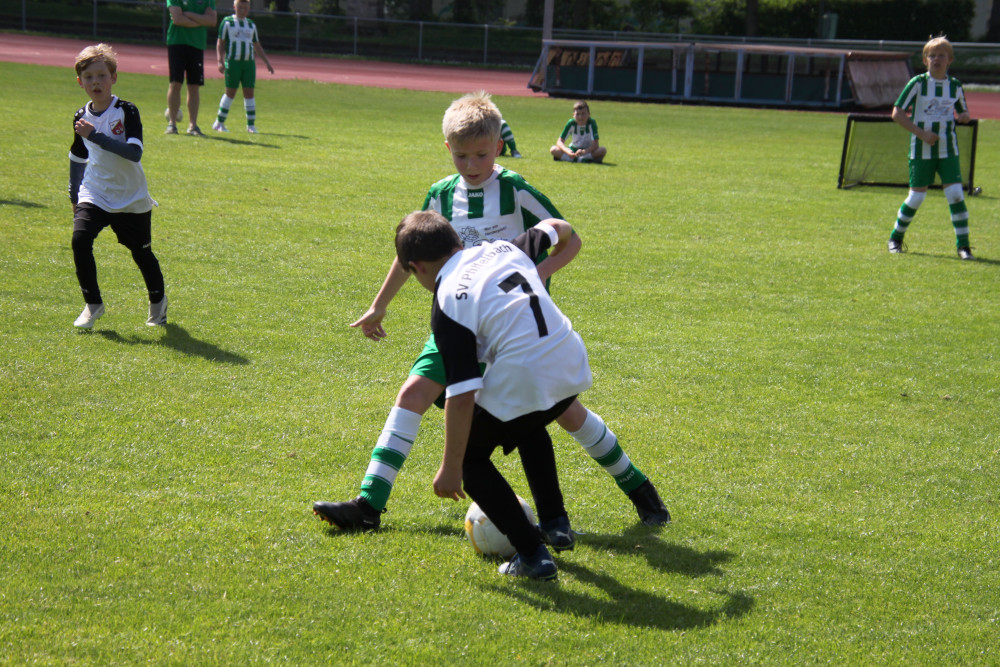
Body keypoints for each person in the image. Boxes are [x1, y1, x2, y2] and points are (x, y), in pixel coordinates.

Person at [313, 91, 669, 539]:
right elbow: (413, 253)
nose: (471, 164)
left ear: (498, 146)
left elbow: (569, 237)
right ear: (448, 150)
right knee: (412, 395)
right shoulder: (441, 194)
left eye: (480, 154)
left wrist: (539, 273)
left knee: (566, 413)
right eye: (461, 155)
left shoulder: (517, 190)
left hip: (511, 330)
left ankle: (638, 487)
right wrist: (379, 304)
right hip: (457, 323)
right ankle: (368, 505)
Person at [396, 210, 630, 579]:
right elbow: (557, 227)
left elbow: (461, 395)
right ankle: (555, 523)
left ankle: (533, 554)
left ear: (416, 268)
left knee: (472, 460)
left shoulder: (446, 302)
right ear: (458, 242)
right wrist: (550, 260)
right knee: (525, 421)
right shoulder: (505, 247)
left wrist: (451, 467)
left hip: (530, 375)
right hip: (569, 359)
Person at [68, 44, 167, 329]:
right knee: (80, 240)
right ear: (80, 82)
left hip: (130, 196)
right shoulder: (80, 116)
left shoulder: (126, 111)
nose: (95, 82)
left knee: (141, 253)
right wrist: (74, 192)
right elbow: (77, 154)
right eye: (89, 77)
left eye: (101, 75)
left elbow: (134, 153)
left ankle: (158, 303)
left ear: (114, 77)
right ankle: (93, 304)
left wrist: (96, 135)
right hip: (95, 192)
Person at [887, 35, 974, 260]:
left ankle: (963, 247)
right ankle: (895, 238)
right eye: (931, 55)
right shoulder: (917, 83)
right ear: (925, 60)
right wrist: (922, 134)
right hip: (921, 149)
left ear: (949, 60)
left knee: (955, 195)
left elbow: (963, 112)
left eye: (941, 55)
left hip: (948, 150)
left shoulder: (954, 86)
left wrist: (964, 116)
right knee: (916, 198)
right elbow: (897, 113)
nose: (936, 59)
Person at [212, 0, 274, 134]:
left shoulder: (251, 25)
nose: (242, 10)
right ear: (234, 7)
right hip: (233, 63)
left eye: (245, 7)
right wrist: (219, 60)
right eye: (240, 7)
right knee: (230, 93)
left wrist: (267, 62)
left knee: (249, 94)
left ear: (249, 8)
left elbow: (257, 45)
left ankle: (251, 125)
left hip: (249, 64)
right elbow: (220, 42)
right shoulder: (227, 22)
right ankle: (219, 123)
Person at [165, 0, 217, 136]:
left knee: (194, 86)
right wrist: (201, 20)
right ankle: (172, 124)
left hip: (197, 44)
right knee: (175, 83)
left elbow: (212, 20)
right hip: (177, 42)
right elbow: (177, 19)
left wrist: (188, 14)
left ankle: (193, 126)